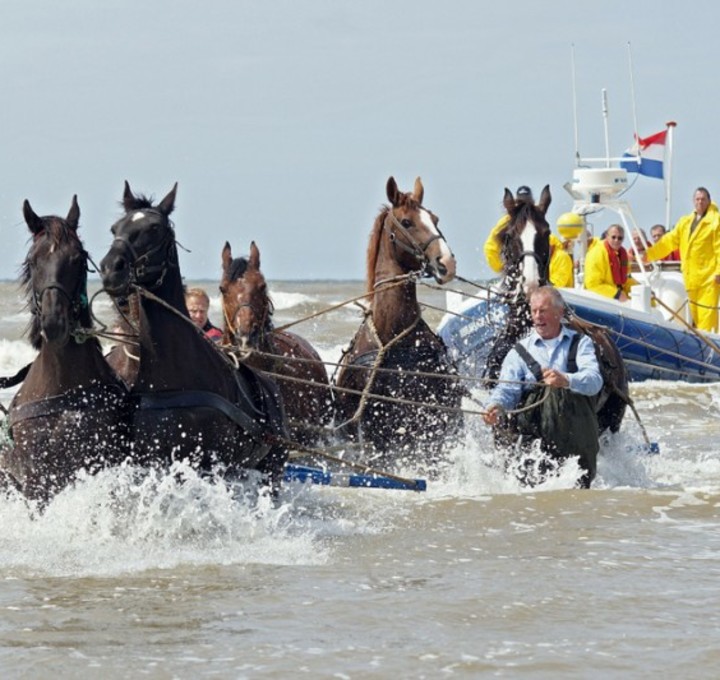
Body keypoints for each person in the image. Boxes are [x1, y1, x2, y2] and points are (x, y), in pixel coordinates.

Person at [483, 286, 603, 488]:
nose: (537, 317)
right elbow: (507, 390)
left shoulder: (582, 344)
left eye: (543, 311)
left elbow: (594, 382)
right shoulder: (519, 352)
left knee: (579, 496)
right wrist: (494, 405)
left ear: (559, 313)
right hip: (534, 441)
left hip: (577, 439)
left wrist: (566, 380)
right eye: (534, 311)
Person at [645, 187, 720, 332]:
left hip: (709, 279)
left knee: (707, 318)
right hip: (691, 278)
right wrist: (649, 255)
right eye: (697, 199)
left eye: (703, 199)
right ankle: (703, 347)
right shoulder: (685, 222)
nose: (700, 202)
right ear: (693, 201)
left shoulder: (716, 222)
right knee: (696, 317)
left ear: (709, 201)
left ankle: (709, 349)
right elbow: (669, 241)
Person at [483, 185, 571, 287]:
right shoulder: (508, 221)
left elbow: (490, 248)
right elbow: (490, 248)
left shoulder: (527, 217)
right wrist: (504, 269)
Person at [583, 224, 635, 301]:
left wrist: (639, 288)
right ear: (607, 236)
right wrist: (616, 294)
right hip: (601, 300)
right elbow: (592, 284)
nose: (616, 240)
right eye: (613, 237)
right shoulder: (596, 253)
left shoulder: (622, 255)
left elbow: (626, 279)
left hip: (618, 298)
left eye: (620, 238)